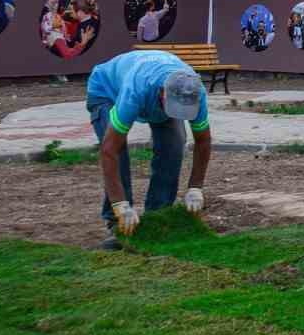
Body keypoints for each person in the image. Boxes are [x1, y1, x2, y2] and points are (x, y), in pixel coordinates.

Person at [85, 49, 213, 249]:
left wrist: (195, 188)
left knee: (175, 144)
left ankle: (158, 217)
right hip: (106, 90)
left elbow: (203, 141)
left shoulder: (194, 91)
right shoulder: (135, 90)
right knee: (119, 153)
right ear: (163, 93)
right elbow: (109, 150)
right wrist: (120, 204)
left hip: (153, 93)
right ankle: (118, 224)